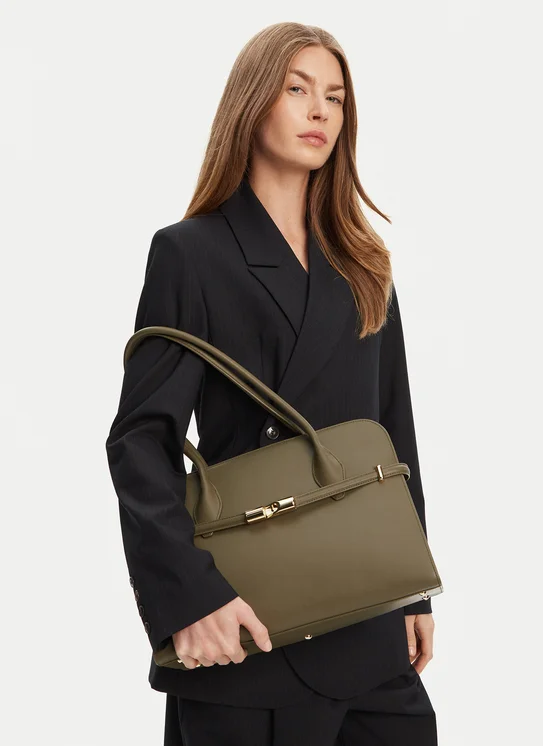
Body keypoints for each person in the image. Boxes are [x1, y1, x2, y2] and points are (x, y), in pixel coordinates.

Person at [106, 21, 438, 746]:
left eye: (335, 98)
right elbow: (140, 442)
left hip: (369, 622)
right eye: (297, 89)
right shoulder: (190, 252)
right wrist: (191, 598)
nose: (320, 111)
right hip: (247, 623)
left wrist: (414, 584)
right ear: (253, 102)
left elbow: (393, 428)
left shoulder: (364, 261)